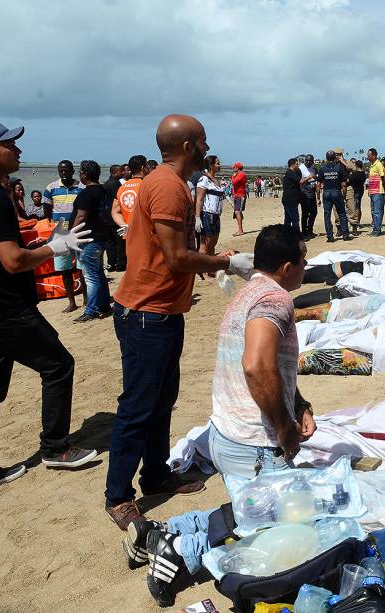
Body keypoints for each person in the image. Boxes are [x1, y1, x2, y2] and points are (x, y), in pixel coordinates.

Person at [120, 224, 314, 607]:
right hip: (254, 445)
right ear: (289, 266)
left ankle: (161, 531)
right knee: (287, 535)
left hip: (226, 435)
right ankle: (182, 554)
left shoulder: (248, 293)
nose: (307, 265)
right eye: (304, 259)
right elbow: (257, 367)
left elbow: (272, 365)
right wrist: (284, 430)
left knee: (252, 508)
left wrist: (299, 403)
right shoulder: (275, 301)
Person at [104, 114, 255, 530]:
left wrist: (208, 258)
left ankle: (155, 475)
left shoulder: (169, 183)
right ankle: (117, 495)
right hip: (146, 313)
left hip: (163, 310)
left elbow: (172, 249)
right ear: (189, 146)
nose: (208, 148)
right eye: (203, 141)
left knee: (161, 398)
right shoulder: (169, 187)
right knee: (137, 405)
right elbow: (175, 258)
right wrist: (226, 261)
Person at [0, 121, 98, 494]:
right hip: (6, 308)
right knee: (59, 364)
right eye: (10, 146)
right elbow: (14, 260)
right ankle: (55, 447)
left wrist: (49, 240)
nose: (18, 152)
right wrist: (56, 248)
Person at [70, 160, 113, 323]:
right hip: (100, 237)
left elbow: (81, 216)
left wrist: (70, 235)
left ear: (85, 175)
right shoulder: (103, 190)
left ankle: (92, 309)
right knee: (98, 273)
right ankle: (104, 305)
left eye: (80, 172)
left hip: (88, 238)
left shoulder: (87, 193)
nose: (79, 175)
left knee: (91, 276)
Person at [43, 160, 85, 313]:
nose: (64, 173)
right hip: (59, 234)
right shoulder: (51, 188)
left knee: (82, 267)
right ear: (58, 172)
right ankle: (72, 302)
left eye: (67, 170)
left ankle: (86, 298)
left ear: (73, 171)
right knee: (64, 268)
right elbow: (46, 208)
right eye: (61, 171)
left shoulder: (81, 187)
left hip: (78, 232)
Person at [112, 154, 149, 243]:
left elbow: (114, 211)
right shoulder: (147, 186)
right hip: (145, 236)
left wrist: (125, 226)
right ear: (143, 167)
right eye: (147, 166)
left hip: (128, 236)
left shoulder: (122, 187)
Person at [316, 150, 350, 243]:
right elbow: (344, 184)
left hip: (326, 193)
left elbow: (318, 185)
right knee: (342, 213)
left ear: (326, 158)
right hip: (336, 191)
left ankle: (330, 237)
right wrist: (344, 196)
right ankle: (346, 235)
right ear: (334, 158)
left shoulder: (322, 169)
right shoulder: (339, 168)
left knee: (327, 215)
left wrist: (318, 197)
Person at [194, 154, 225, 255]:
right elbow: (199, 199)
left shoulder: (216, 180)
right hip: (207, 215)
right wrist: (198, 218)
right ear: (211, 166)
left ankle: (209, 267)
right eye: (218, 163)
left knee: (213, 244)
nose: (220, 165)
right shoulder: (204, 179)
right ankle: (202, 269)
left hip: (216, 216)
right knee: (205, 245)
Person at [103, 164, 125, 273]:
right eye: (120, 171)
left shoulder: (105, 184)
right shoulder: (116, 184)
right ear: (114, 173)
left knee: (110, 242)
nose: (122, 173)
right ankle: (120, 264)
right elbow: (118, 200)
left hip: (106, 216)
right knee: (119, 241)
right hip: (114, 216)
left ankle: (111, 263)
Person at [366, 147, 385, 236]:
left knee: (377, 211)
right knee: (374, 211)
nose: (368, 157)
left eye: (369, 155)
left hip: (378, 192)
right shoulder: (372, 165)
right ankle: (375, 228)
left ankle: (377, 230)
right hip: (373, 192)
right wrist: (369, 190)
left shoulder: (378, 165)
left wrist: (384, 190)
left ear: (374, 156)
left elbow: (383, 178)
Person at [298, 154, 318, 239]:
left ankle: (310, 230)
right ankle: (304, 233)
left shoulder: (313, 168)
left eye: (310, 161)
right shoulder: (300, 168)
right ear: (305, 160)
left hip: (312, 193)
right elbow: (299, 181)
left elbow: (315, 179)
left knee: (314, 213)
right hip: (304, 194)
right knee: (305, 214)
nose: (308, 162)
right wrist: (308, 177)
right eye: (307, 160)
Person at [281, 157, 302, 231]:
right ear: (292, 165)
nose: (298, 165)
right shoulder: (290, 173)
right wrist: (309, 177)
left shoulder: (291, 173)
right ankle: (297, 236)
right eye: (297, 164)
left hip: (289, 199)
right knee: (295, 219)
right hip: (290, 200)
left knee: (288, 219)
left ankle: (287, 235)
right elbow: (300, 181)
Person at [346, 159, 366, 235]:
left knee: (353, 208)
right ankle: (358, 222)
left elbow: (349, 182)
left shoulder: (353, 174)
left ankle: (354, 223)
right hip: (360, 192)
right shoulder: (363, 174)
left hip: (353, 192)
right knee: (358, 207)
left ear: (356, 165)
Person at [230, 162, 247, 236]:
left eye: (234, 167)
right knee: (237, 212)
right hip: (237, 195)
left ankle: (240, 230)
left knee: (237, 212)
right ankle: (240, 229)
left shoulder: (241, 174)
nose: (233, 168)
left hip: (240, 195)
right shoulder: (239, 174)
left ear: (237, 167)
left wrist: (233, 177)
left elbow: (234, 182)